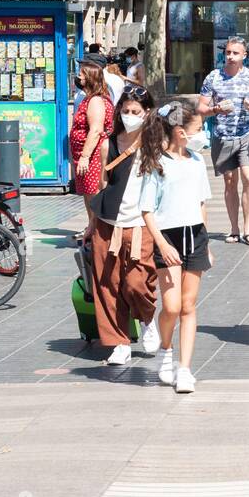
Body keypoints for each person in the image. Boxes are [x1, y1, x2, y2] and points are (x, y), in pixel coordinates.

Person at [141, 100, 213, 394]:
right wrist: (160, 243)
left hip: (194, 234)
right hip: (167, 236)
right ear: (181, 132)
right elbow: (147, 210)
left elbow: (201, 202)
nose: (201, 134)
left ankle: (185, 368)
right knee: (170, 306)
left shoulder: (197, 162)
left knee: (188, 305)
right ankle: (166, 350)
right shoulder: (157, 163)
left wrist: (206, 241)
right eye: (197, 129)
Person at [89, 86, 158, 366]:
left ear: (147, 113)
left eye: (136, 112)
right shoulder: (110, 143)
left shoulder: (155, 143)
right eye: (126, 111)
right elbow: (103, 184)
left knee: (137, 282)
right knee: (108, 285)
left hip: (140, 223)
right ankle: (119, 342)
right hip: (108, 222)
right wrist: (91, 224)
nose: (130, 116)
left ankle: (147, 318)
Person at [197, 37, 249, 245]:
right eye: (228, 53)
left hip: (247, 134)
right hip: (223, 136)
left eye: (236, 53)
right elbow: (201, 108)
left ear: (245, 55)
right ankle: (234, 228)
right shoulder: (213, 77)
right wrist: (216, 109)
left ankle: (248, 227)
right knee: (230, 181)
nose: (231, 56)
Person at [70, 54, 115, 201]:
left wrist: (85, 157)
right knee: (87, 189)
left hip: (92, 155)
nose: (78, 77)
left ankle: (95, 224)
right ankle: (91, 224)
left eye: (81, 74)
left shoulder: (96, 100)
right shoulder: (89, 97)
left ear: (89, 78)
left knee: (93, 190)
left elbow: (96, 130)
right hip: (85, 154)